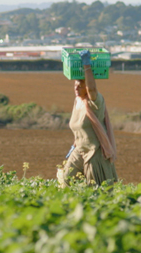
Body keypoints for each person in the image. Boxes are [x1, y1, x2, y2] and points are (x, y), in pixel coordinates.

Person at [57, 49, 118, 187]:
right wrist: (73, 147)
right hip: (79, 149)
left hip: (94, 152)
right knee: (66, 179)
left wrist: (87, 66)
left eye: (81, 85)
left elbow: (92, 90)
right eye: (75, 85)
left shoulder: (94, 102)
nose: (77, 88)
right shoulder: (77, 101)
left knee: (97, 188)